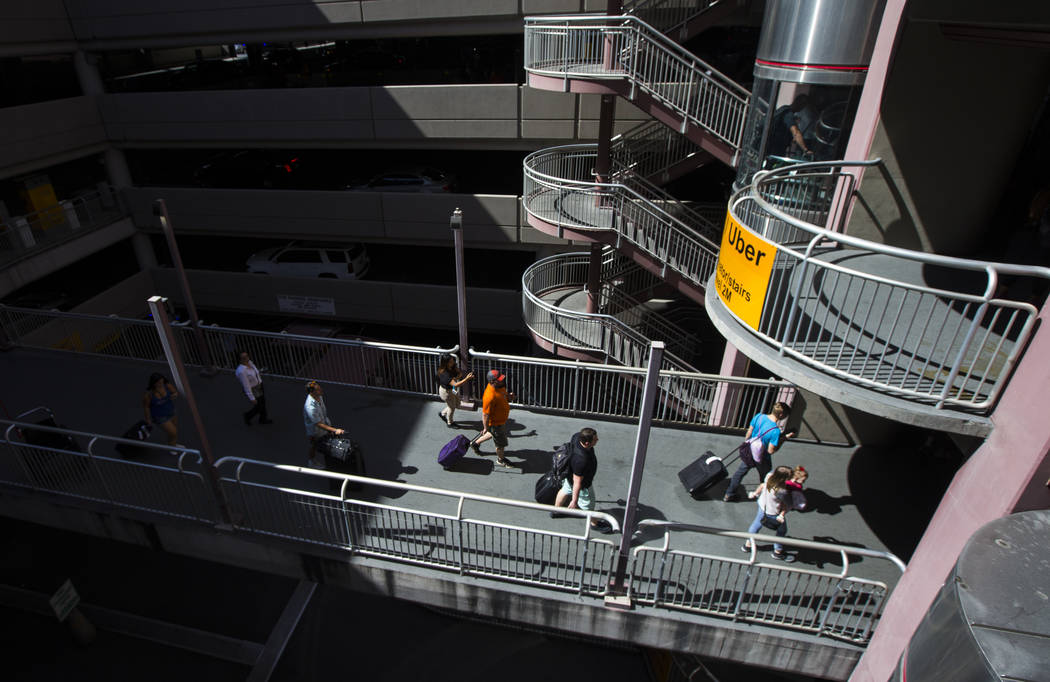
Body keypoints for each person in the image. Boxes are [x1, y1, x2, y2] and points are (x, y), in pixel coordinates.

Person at [723, 401, 794, 502]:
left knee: (739, 473)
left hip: (750, 451)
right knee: (767, 477)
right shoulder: (775, 431)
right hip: (762, 457)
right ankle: (767, 498)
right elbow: (771, 451)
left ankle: (729, 494)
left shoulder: (759, 416)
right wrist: (784, 439)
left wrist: (747, 444)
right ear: (781, 415)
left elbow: (749, 432)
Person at [552, 427, 611, 533]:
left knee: (565, 490)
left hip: (569, 475)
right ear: (587, 443)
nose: (597, 440)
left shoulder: (576, 437)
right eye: (595, 439)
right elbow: (578, 482)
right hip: (583, 485)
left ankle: (556, 510)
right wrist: (574, 501)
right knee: (588, 505)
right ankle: (594, 523)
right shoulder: (581, 460)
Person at [742, 465, 795, 562]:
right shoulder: (781, 491)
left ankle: (748, 544)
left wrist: (755, 493)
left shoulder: (769, 477)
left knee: (756, 524)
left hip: (763, 506)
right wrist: (782, 515)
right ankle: (777, 552)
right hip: (774, 512)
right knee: (782, 531)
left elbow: (762, 485)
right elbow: (787, 504)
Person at [471, 369, 514, 467]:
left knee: (492, 433)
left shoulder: (500, 386)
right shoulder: (489, 396)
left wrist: (509, 397)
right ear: (492, 381)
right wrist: (485, 427)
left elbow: (504, 395)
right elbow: (485, 414)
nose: (502, 380)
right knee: (500, 444)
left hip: (500, 421)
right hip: (496, 423)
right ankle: (501, 459)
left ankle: (475, 444)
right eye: (499, 379)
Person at [303, 380, 344, 470]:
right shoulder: (310, 407)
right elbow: (318, 424)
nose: (321, 390)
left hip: (324, 423)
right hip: (315, 430)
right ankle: (311, 461)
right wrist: (334, 430)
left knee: (320, 443)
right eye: (318, 390)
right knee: (314, 444)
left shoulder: (319, 397)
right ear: (312, 392)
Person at [769, 94, 815, 160]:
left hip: (774, 145)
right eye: (803, 105)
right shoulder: (788, 114)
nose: (802, 108)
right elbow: (795, 132)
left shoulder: (784, 109)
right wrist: (805, 150)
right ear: (799, 104)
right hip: (774, 147)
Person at [435, 353, 473, 427]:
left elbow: (459, 374)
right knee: (452, 408)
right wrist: (467, 379)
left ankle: (442, 414)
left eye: (453, 361)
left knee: (457, 403)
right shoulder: (444, 373)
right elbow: (456, 384)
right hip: (446, 392)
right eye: (451, 362)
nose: (453, 363)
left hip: (452, 390)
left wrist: (456, 377)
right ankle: (450, 422)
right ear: (446, 363)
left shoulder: (452, 367)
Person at [236, 350, 272, 425]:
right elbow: (246, 385)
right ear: (240, 360)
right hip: (254, 389)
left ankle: (263, 418)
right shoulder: (242, 371)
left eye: (247, 356)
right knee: (259, 405)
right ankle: (248, 416)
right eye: (243, 358)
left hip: (259, 385)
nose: (246, 358)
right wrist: (252, 398)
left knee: (262, 403)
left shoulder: (250, 363)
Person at [142, 373, 178, 447]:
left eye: (162, 382)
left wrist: (174, 395)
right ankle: (172, 447)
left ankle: (172, 444)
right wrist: (148, 419)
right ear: (153, 383)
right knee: (173, 432)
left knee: (173, 432)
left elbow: (174, 392)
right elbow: (146, 407)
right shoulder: (149, 395)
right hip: (160, 417)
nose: (161, 384)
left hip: (171, 412)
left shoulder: (167, 386)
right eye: (158, 383)